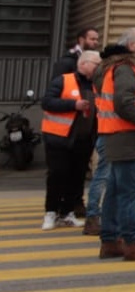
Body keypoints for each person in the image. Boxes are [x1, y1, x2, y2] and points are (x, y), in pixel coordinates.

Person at [94, 29, 135, 261]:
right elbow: (124, 103)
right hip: (131, 137)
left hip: (119, 136)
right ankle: (133, 241)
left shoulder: (116, 68)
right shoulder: (126, 70)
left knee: (116, 190)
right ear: (131, 46)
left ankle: (110, 240)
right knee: (130, 193)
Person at [40, 50, 100, 230]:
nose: (99, 68)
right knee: (58, 175)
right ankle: (51, 212)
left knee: (77, 176)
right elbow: (47, 102)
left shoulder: (95, 85)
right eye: (96, 64)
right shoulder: (63, 81)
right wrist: (73, 105)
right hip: (59, 138)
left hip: (83, 139)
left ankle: (67, 212)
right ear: (83, 64)